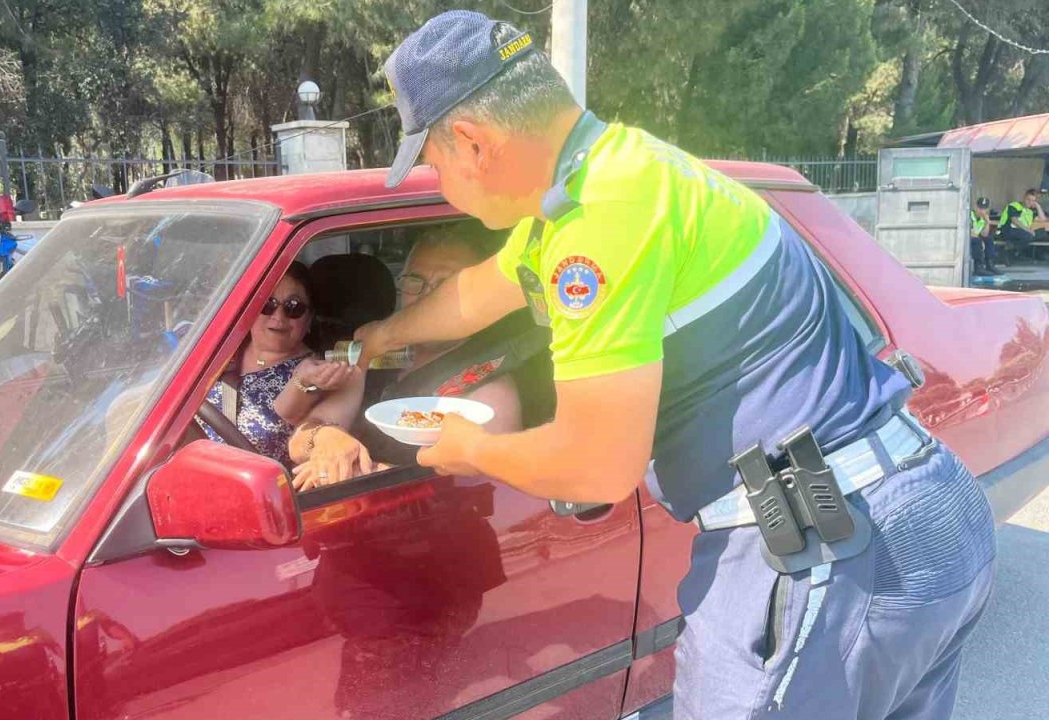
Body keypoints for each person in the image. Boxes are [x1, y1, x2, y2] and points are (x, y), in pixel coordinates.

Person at [357, 10, 994, 719]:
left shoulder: (596, 224)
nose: (440, 184)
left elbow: (596, 467)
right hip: (914, 513)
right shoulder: (611, 176)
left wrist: (467, 446)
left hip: (824, 553)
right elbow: (478, 294)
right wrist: (381, 335)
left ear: (474, 142)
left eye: (435, 164)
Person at [289, 224, 525, 490]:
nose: (427, 295)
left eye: (446, 285)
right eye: (415, 280)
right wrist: (326, 438)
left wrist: (361, 470)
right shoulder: (371, 351)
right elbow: (299, 443)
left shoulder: (488, 388)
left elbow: (481, 489)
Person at [198, 261, 361, 466]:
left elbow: (304, 442)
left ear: (309, 319)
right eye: (267, 304)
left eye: (294, 307)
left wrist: (302, 382)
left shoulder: (323, 371)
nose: (278, 317)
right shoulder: (216, 351)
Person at [997, 188, 1046, 258]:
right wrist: (1028, 230)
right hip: (1008, 230)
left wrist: (1038, 206)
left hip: (1022, 232)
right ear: (1024, 198)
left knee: (1042, 232)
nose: (1030, 202)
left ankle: (1011, 245)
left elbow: (1042, 219)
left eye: (1033, 201)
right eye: (1028, 199)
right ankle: (1009, 249)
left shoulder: (1030, 211)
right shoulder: (1015, 206)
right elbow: (1015, 220)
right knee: (1029, 235)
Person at [970, 196, 997, 275]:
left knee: (989, 239)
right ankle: (978, 267)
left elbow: (984, 234)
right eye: (980, 208)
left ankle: (990, 265)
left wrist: (987, 222)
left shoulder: (983, 218)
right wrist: (980, 240)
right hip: (967, 240)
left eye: (984, 209)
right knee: (977, 241)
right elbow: (967, 232)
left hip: (975, 239)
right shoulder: (970, 215)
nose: (982, 211)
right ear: (975, 207)